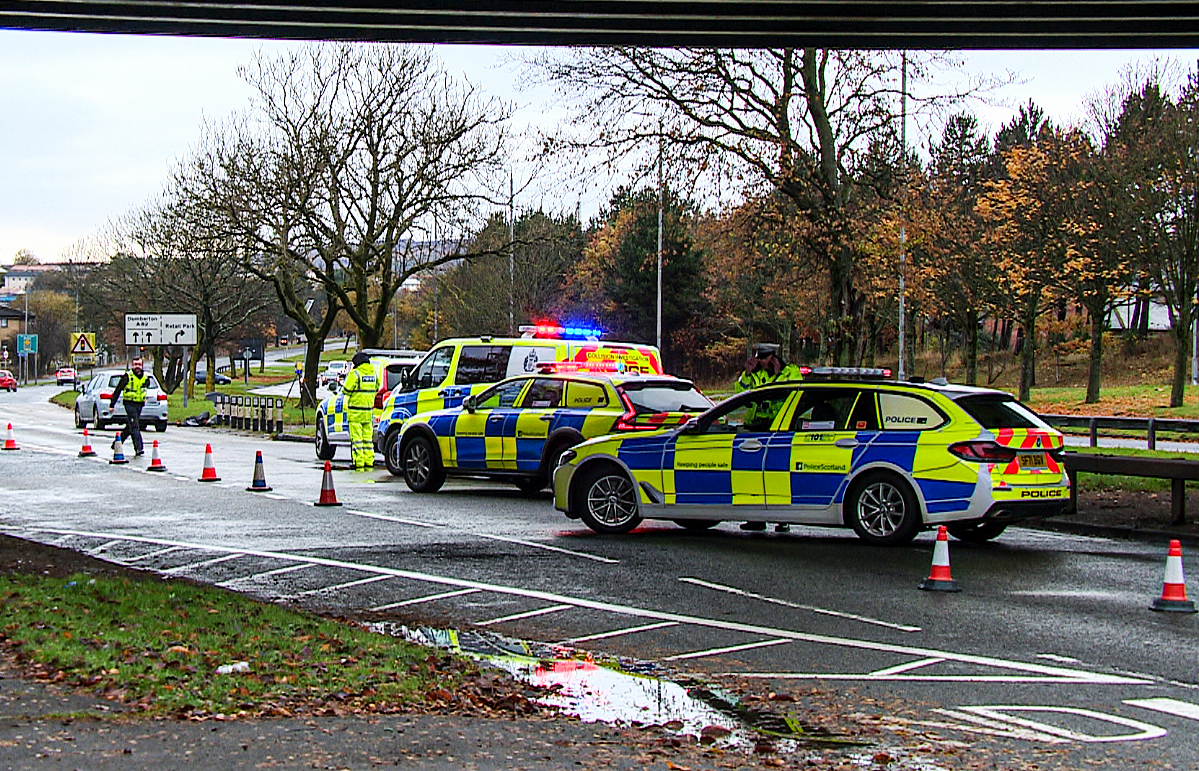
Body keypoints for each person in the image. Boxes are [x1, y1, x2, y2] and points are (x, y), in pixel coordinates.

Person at [341, 351, 379, 470]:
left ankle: (359, 462)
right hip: (368, 412)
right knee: (367, 439)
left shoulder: (355, 374)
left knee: (357, 439)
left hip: (355, 412)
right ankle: (369, 460)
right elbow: (377, 387)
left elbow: (346, 390)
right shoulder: (373, 373)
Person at [109, 358, 149, 456]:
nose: (137, 367)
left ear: (142, 365)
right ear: (132, 365)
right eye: (135, 364)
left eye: (139, 364)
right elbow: (118, 390)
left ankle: (117, 442)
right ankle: (139, 448)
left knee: (131, 425)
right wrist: (112, 405)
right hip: (129, 403)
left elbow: (144, 389)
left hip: (139, 404)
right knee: (135, 425)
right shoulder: (127, 376)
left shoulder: (146, 378)